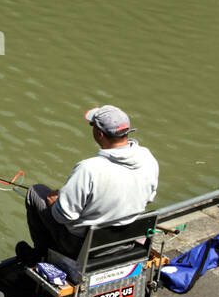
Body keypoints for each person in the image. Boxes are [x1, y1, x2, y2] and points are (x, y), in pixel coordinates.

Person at [21, 105, 159, 263]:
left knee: (35, 191)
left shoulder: (89, 169)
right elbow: (149, 199)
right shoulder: (147, 157)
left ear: (99, 134)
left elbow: (63, 216)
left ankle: (42, 256)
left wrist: (55, 204)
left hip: (86, 248)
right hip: (125, 241)